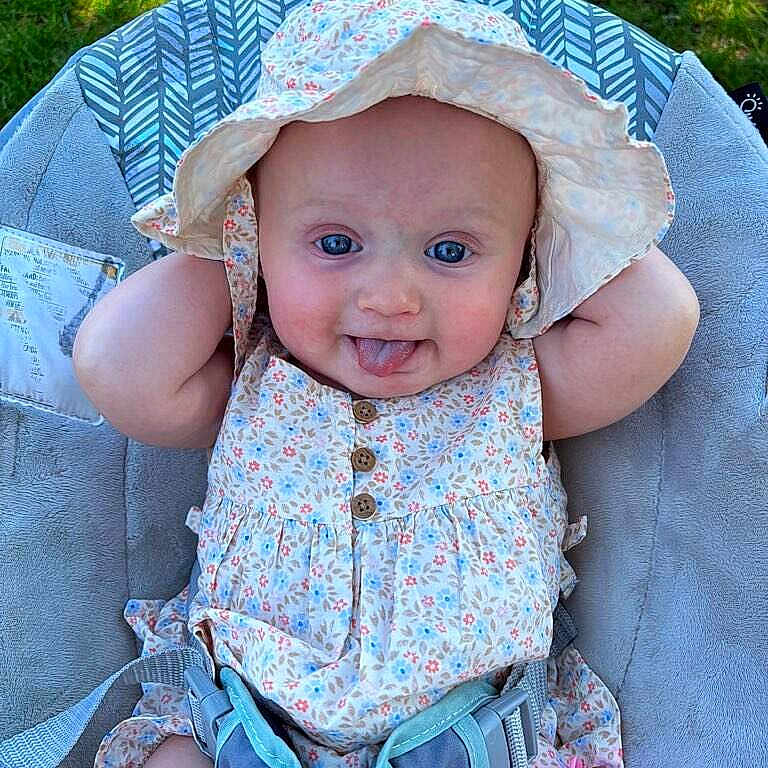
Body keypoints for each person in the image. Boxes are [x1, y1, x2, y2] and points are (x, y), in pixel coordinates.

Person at [72, 0, 699, 766]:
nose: (391, 297)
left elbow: (660, 313)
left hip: (469, 735)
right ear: (255, 238)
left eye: (450, 250)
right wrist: (232, 245)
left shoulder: (519, 386)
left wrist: (561, 220)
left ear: (524, 258)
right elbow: (114, 364)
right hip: (241, 723)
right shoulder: (251, 380)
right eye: (336, 243)